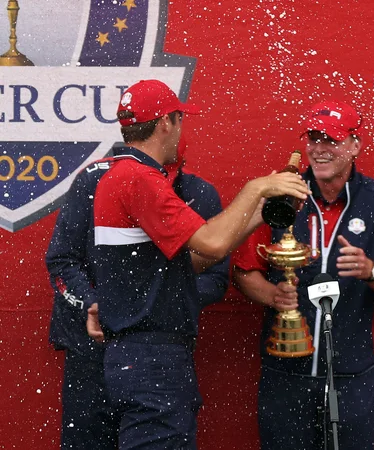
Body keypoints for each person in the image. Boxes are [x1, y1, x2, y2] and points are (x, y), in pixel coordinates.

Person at [86, 79, 310, 450]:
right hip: (151, 360)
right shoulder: (140, 179)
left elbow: (195, 260)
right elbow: (214, 241)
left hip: (141, 356)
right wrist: (256, 188)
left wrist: (259, 215)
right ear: (164, 124)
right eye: (180, 120)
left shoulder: (121, 175)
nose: (181, 130)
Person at [232, 99, 374, 450]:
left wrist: (371, 270)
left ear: (355, 145)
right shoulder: (280, 193)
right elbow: (244, 272)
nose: (319, 150)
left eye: (331, 140)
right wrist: (273, 296)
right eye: (314, 139)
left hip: (354, 376)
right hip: (286, 373)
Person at [45, 138, 230, 449]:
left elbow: (217, 277)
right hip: (90, 351)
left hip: (156, 355)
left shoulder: (199, 194)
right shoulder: (93, 181)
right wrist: (94, 303)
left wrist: (150, 305)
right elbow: (61, 260)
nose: (157, 182)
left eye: (167, 178)